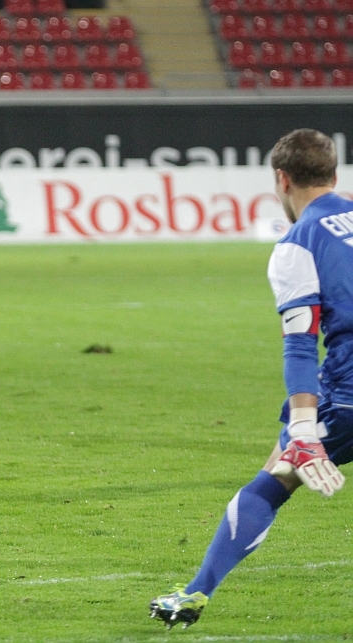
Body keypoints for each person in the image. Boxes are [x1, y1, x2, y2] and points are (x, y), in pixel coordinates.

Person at [150, 128, 348, 629]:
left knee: (275, 479)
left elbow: (300, 342)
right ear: (334, 172)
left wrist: (303, 427)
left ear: (282, 180)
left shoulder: (298, 244)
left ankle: (196, 592)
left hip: (347, 396)